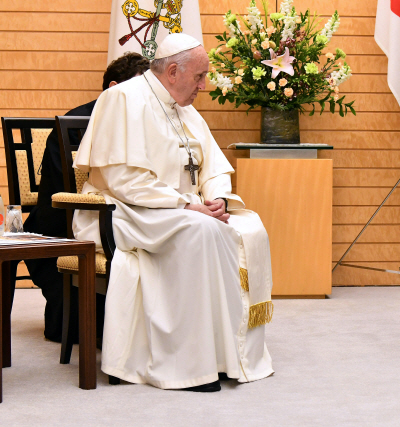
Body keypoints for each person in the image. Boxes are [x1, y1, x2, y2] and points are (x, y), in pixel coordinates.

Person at [73, 33, 274, 392]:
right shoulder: (122, 98)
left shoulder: (185, 109)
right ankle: (186, 365)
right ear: (173, 71)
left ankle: (227, 356)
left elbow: (212, 167)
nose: (204, 85)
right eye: (199, 77)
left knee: (249, 226)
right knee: (199, 230)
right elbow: (123, 179)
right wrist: (186, 204)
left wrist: (218, 200)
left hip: (179, 209)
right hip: (126, 210)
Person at [21, 52, 150, 343]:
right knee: (89, 328)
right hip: (65, 228)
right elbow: (61, 198)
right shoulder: (75, 125)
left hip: (123, 215)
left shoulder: (145, 123)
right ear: (112, 87)